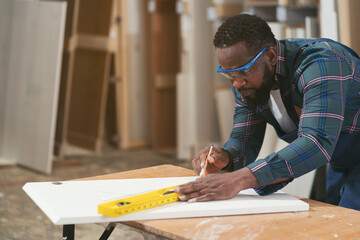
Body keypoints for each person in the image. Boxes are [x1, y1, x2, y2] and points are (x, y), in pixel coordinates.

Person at [174, 13, 360, 210]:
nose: (237, 83)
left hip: (339, 149)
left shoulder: (320, 63)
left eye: (243, 72)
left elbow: (317, 142)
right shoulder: (246, 82)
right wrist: (225, 158)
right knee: (334, 220)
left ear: (270, 56)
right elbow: (244, 140)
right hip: (343, 158)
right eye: (230, 75)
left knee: (350, 223)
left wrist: (240, 179)